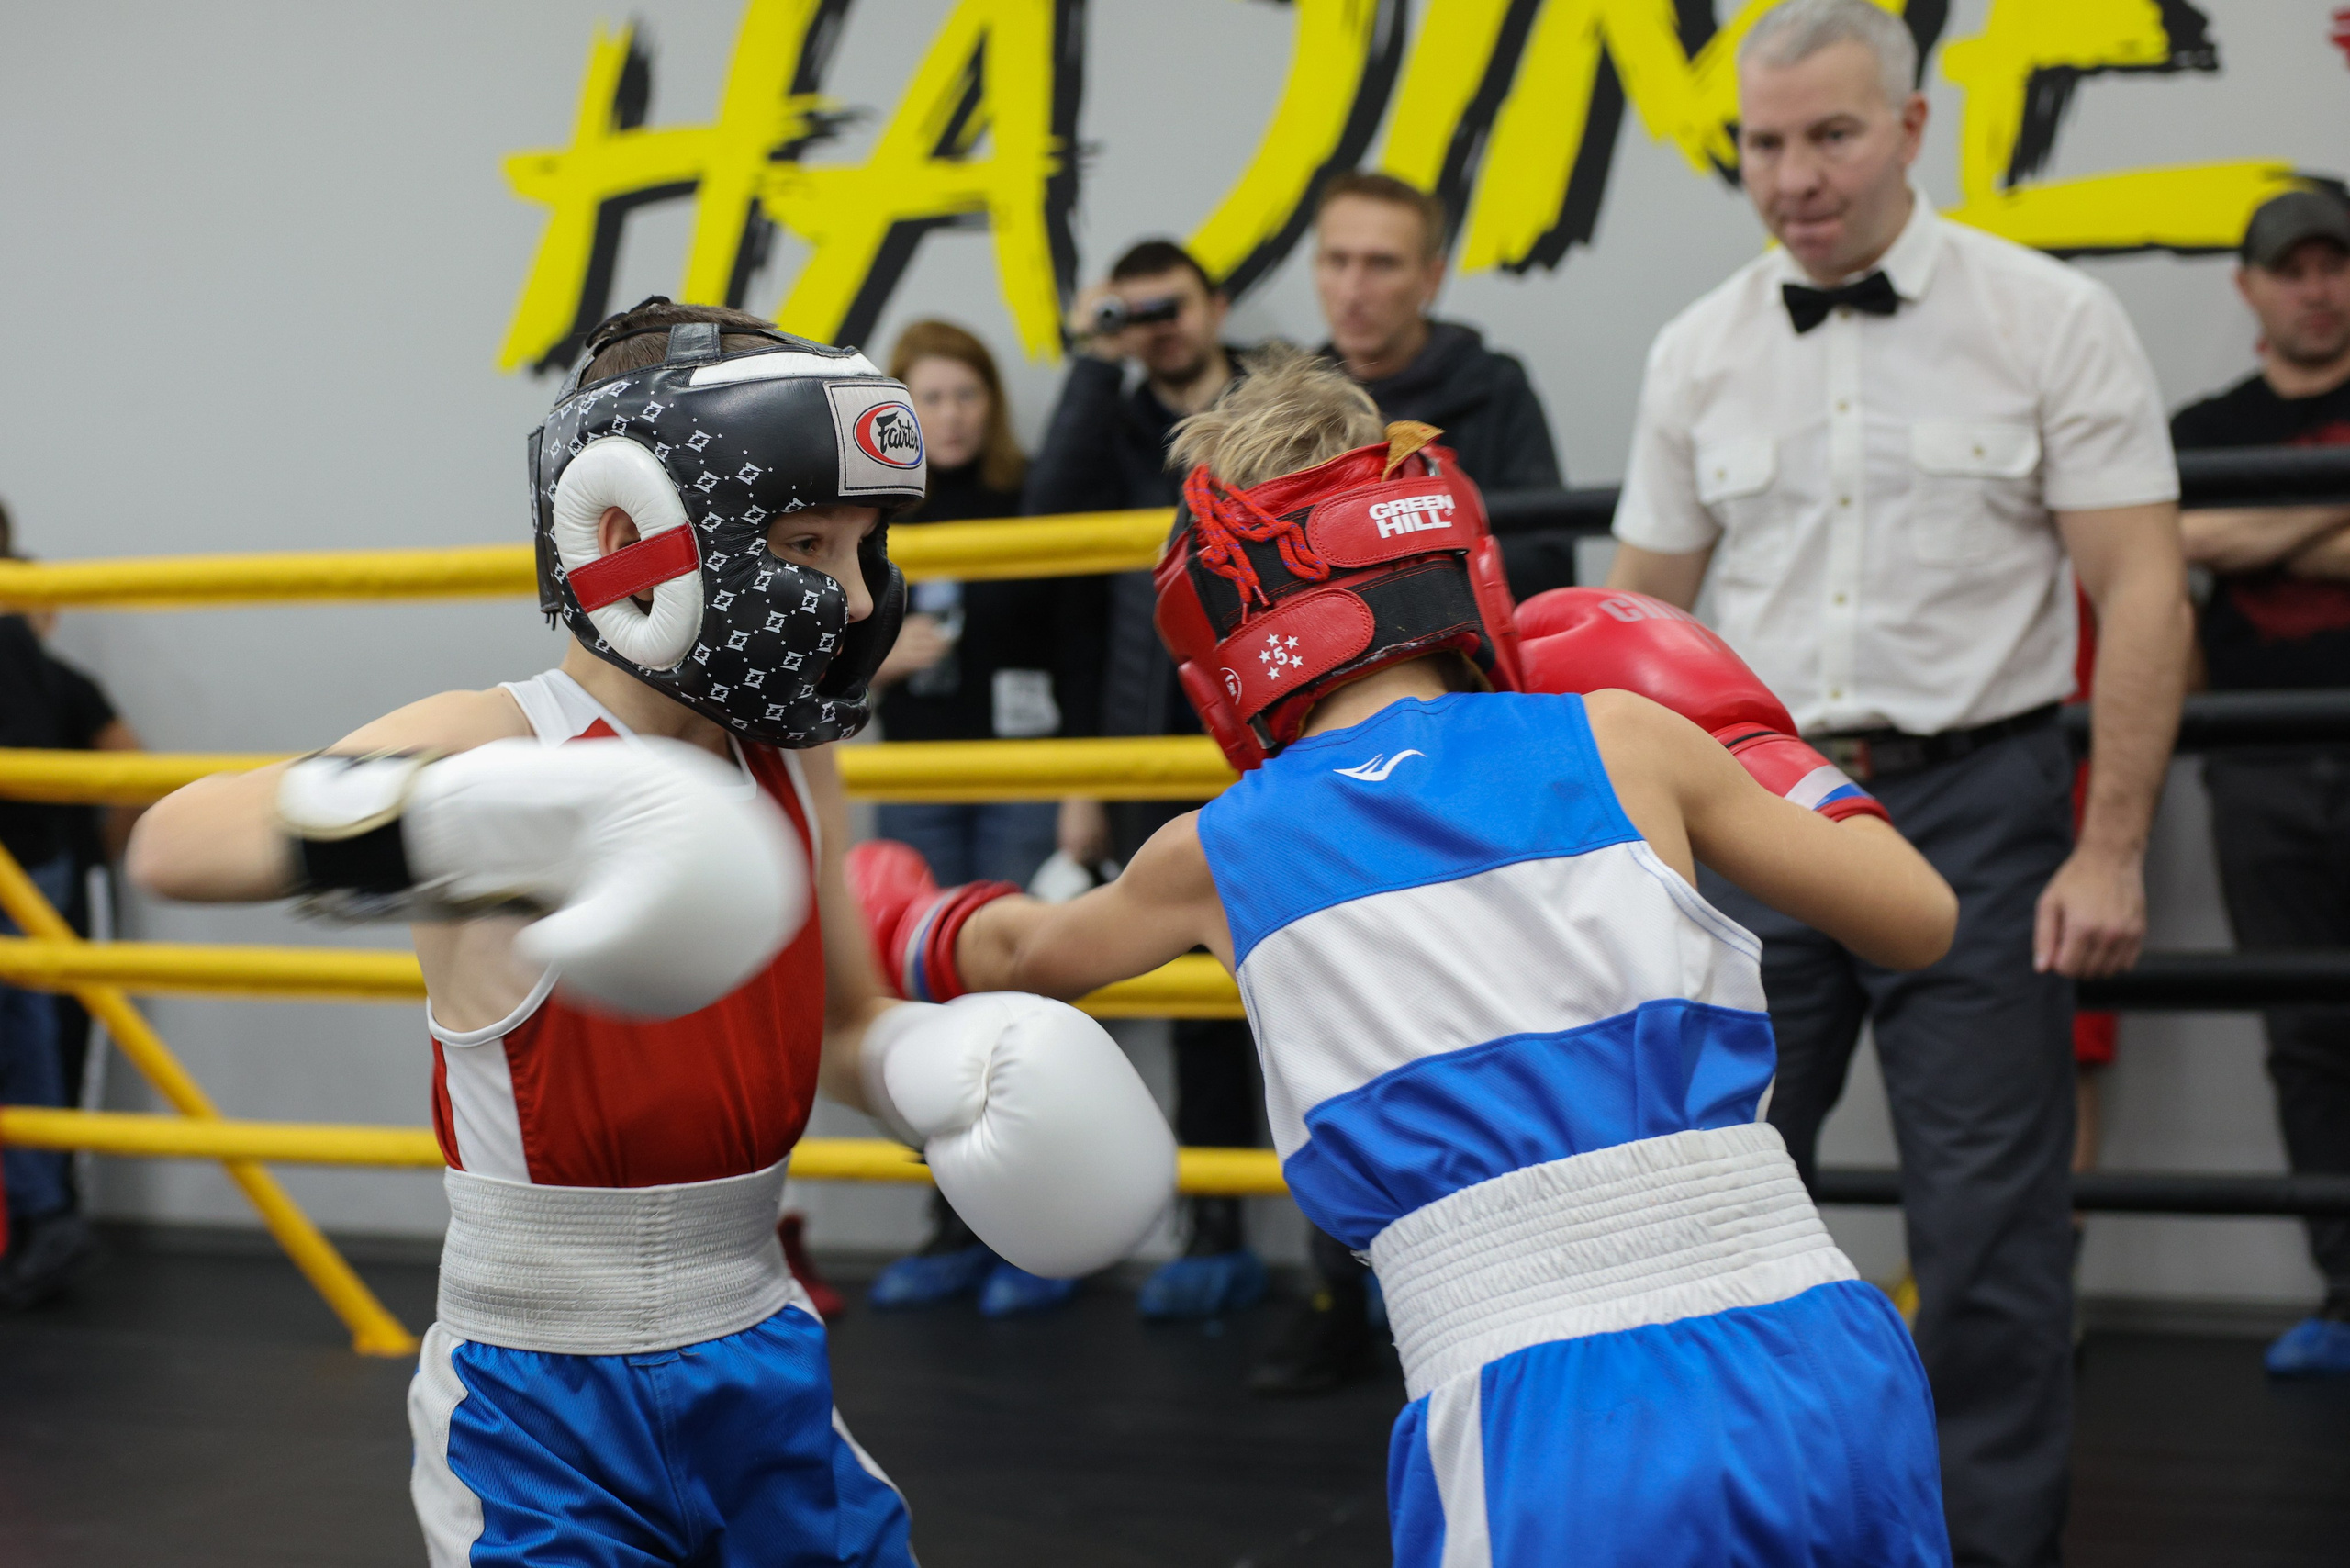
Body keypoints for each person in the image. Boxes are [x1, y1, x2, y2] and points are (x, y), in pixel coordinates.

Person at [852, 346, 1963, 1565]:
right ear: (1448, 550)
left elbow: (1029, 952)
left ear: (1222, 624)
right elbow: (1918, 919)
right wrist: (1748, 743)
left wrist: (904, 917)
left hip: (1545, 1406)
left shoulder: (1219, 848)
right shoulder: (1628, 737)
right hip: (1825, 1351)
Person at [124, 298, 1176, 1566]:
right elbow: (175, 843)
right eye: (805, 543)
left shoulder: (791, 765)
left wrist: (925, 1068)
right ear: (632, 536)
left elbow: (837, 1022)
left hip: (759, 1353)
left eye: (863, 548)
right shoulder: (500, 741)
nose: (849, 599)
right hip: (536, 1401)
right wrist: (468, 820)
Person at [1601, 5, 2190, 1562]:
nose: (1795, 175)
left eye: (1832, 135)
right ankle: (1740, 1531)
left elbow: (2143, 588)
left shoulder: (2048, 315)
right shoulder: (1698, 346)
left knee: (1991, 1238)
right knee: (1711, 1211)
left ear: (1913, 127)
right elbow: (1632, 620)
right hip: (1751, 811)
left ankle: (1994, 1553)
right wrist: (1623, 869)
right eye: (1765, 142)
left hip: (1984, 811)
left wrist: (2109, 847)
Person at [1026, 240, 1277, 1330]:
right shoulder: (1122, 422)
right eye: (1142, 312)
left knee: (1279, 977)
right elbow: (1048, 515)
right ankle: (1203, 1229)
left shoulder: (1275, 402)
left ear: (1219, 304)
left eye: (1176, 304)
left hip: (1268, 711)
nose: (1163, 326)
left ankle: (1303, 1246)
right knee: (1178, 992)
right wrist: (1093, 356)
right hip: (1145, 721)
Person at [860, 319, 1104, 1318]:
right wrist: (875, 660)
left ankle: (1041, 1234)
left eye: (966, 395)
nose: (949, 415)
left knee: (1024, 994)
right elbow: (812, 665)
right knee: (921, 1002)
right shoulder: (870, 515)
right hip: (918, 776)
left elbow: (1086, 649)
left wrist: (1086, 788)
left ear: (993, 404)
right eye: (928, 396)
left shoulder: (1032, 497)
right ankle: (953, 1227)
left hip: (1020, 778)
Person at [2170, 185, 2350, 1376]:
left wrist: (2251, 525)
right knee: (2304, 1034)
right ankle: (2344, 1297)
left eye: (2335, 265)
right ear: (2248, 286)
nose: (2317, 287)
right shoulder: (2203, 424)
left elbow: (2220, 539)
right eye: (2293, 268)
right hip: (2257, 764)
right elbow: (2178, 540)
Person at [1310, 171, 1572, 597]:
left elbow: (1546, 565)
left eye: (1382, 264)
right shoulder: (1287, 407)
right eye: (1336, 261)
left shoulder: (1492, 387)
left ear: (1431, 278)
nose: (1351, 290)